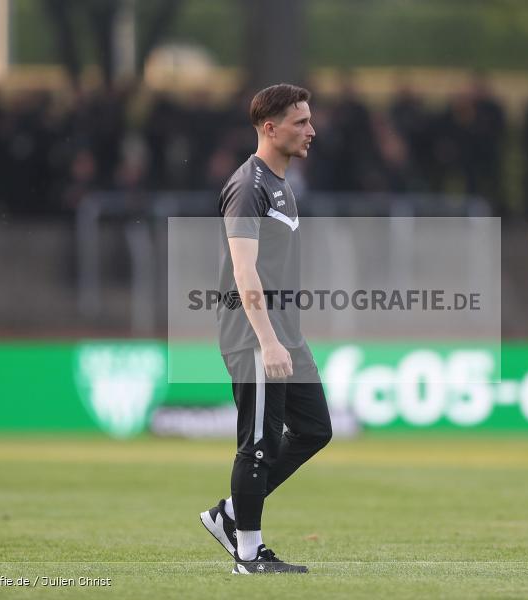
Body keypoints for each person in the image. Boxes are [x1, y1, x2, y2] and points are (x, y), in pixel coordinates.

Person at [199, 84, 332, 575]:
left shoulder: (280, 182)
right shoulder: (249, 185)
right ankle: (249, 555)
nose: (311, 130)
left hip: (284, 332)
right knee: (257, 442)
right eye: (300, 122)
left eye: (310, 120)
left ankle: (229, 514)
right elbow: (244, 270)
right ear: (270, 128)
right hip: (254, 333)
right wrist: (269, 340)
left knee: (315, 428)